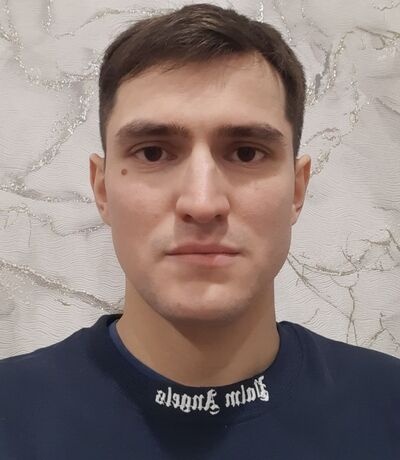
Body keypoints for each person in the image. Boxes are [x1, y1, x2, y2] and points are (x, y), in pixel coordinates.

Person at [1, 3, 399, 459]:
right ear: (102, 189)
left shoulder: (388, 406)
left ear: (297, 189)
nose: (202, 203)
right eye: (153, 153)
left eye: (246, 153)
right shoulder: (11, 413)